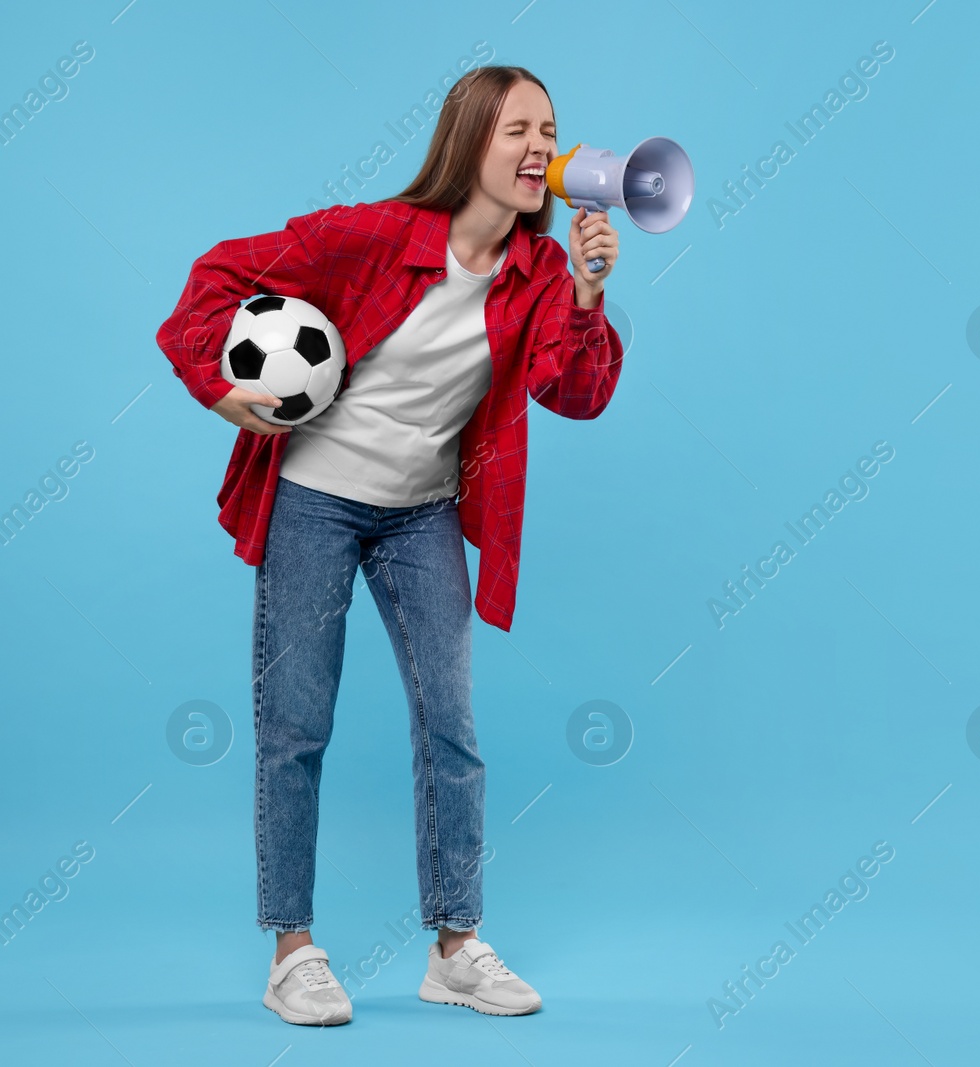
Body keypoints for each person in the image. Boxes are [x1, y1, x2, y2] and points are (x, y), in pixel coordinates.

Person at [154, 65, 625, 1025]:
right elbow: (214, 279)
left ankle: (456, 946)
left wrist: (585, 291)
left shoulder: (537, 273)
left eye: (550, 129)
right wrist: (218, 383)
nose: (541, 147)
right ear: (468, 145)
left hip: (421, 512)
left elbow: (573, 392)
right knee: (296, 721)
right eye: (516, 130)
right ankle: (292, 948)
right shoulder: (372, 235)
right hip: (316, 498)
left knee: (452, 726)